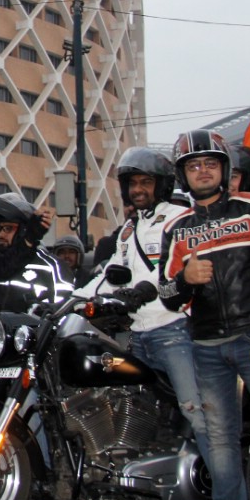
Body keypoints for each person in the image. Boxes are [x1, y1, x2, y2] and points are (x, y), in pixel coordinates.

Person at [159, 129, 250, 500]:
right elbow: (168, 294)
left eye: (211, 164)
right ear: (183, 175)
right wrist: (186, 277)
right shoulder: (177, 227)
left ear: (226, 169)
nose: (202, 171)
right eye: (194, 166)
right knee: (219, 444)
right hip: (204, 346)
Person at [72, 147, 210, 467]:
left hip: (173, 329)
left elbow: (166, 269)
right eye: (132, 183)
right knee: (140, 412)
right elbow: (110, 275)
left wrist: (138, 293)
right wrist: (70, 302)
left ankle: (220, 483)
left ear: (160, 184)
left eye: (145, 182)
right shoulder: (130, 230)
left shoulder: (178, 219)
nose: (137, 190)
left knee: (196, 411)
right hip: (138, 334)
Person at [0, 193, 73, 314]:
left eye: (8, 228)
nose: (0, 235)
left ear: (24, 229)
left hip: (33, 331)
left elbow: (65, 311)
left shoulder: (52, 266)